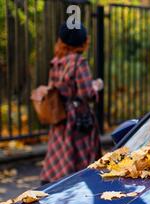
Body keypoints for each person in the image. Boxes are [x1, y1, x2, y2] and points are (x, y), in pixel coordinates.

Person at [40, 23, 103, 185]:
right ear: (83, 42)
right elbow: (86, 93)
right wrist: (97, 85)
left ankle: (54, 185)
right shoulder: (78, 62)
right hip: (78, 119)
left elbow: (54, 89)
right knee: (82, 160)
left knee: (60, 153)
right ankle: (79, 184)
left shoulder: (56, 61)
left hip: (60, 116)